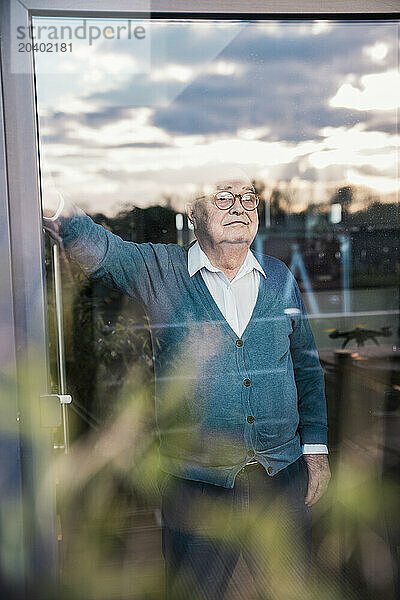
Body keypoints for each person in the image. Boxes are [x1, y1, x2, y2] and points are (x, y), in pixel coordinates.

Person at [43, 167, 331, 599]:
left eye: (248, 197)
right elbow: (103, 250)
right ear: (193, 216)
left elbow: (306, 366)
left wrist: (316, 451)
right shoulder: (161, 270)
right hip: (196, 486)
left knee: (287, 588)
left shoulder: (280, 278)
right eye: (223, 197)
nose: (239, 207)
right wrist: (49, 203)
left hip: (281, 476)